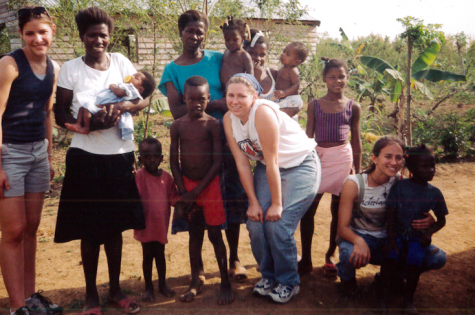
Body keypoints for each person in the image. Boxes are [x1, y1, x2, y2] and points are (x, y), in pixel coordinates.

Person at [53, 7, 151, 315]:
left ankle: (116, 290)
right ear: (82, 36)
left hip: (120, 157)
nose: (98, 40)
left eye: (103, 35)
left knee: (115, 228)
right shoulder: (71, 69)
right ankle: (91, 295)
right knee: (90, 229)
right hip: (85, 157)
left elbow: (143, 97)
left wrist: (120, 108)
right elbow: (60, 113)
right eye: (92, 35)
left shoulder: (121, 62)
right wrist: (85, 125)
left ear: (110, 37)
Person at [158, 9, 249, 283]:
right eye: (190, 31)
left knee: (231, 199)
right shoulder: (172, 70)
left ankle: (234, 258)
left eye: (200, 32)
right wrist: (218, 105)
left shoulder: (217, 57)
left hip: (228, 138)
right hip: (194, 145)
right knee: (195, 207)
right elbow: (176, 111)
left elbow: (240, 83)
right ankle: (196, 267)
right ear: (180, 32)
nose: (195, 36)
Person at [223, 74, 321, 304]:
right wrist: (254, 203)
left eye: (241, 96)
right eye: (230, 95)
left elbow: (274, 161)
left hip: (300, 165)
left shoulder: (263, 112)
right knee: (255, 223)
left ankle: (288, 281)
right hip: (268, 168)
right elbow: (242, 162)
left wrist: (276, 203)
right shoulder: (229, 119)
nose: (235, 101)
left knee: (278, 225)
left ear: (255, 96)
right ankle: (268, 277)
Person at [0, 6, 62, 315]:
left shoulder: (54, 68)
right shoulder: (9, 65)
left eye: (43, 31)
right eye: (30, 33)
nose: (37, 38)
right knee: (13, 231)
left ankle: (30, 298)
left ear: (53, 31)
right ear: (21, 34)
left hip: (39, 153)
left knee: (31, 229)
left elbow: (47, 112)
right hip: (9, 153)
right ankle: (16, 309)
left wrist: (49, 157)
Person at [336, 136, 447, 300]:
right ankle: (347, 280)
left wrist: (429, 220)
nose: (394, 162)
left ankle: (391, 276)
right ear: (374, 158)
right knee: (348, 253)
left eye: (398, 157)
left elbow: (418, 206)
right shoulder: (355, 184)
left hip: (391, 240)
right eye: (388, 156)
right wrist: (359, 241)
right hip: (363, 239)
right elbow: (342, 229)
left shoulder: (400, 182)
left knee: (437, 257)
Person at [170, 76, 233, 305]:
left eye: (202, 99)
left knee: (216, 235)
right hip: (187, 187)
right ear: (184, 99)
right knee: (195, 235)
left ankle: (225, 281)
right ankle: (195, 280)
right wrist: (182, 191)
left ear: (209, 99)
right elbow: (174, 161)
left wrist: (194, 193)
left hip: (209, 187)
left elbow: (217, 163)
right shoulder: (177, 125)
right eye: (191, 99)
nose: (197, 104)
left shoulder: (213, 125)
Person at [299, 57, 362, 277]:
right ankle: (305, 259)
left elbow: (356, 140)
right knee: (308, 211)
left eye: (342, 76)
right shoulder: (314, 105)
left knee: (339, 213)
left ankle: (330, 255)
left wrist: (358, 172)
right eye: (332, 77)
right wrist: (303, 164)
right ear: (324, 79)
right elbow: (308, 137)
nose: (337, 81)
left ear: (348, 78)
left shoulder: (353, 106)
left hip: (343, 161)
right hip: (318, 159)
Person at [380, 144, 447, 314]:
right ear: (411, 167)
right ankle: (382, 299)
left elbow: (441, 220)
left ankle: (408, 300)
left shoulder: (434, 193)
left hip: (417, 239)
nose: (431, 170)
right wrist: (391, 237)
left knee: (414, 263)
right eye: (425, 166)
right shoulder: (400, 187)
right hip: (397, 235)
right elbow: (391, 214)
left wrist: (429, 232)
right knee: (390, 258)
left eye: (433, 165)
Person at [134, 138, 178, 302]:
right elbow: (135, 196)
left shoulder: (166, 178)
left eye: (155, 156)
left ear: (162, 158)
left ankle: (162, 284)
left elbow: (174, 198)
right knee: (147, 256)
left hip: (160, 226)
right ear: (141, 159)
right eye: (147, 156)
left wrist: (185, 203)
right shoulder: (139, 176)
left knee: (160, 254)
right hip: (145, 225)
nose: (151, 160)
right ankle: (148, 287)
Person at [65, 71, 156, 139]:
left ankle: (86, 127)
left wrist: (112, 86)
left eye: (136, 78)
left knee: (86, 108)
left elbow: (119, 92)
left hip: (105, 104)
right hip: (103, 101)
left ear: (140, 90)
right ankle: (78, 124)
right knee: (83, 107)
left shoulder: (132, 90)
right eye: (134, 74)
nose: (132, 76)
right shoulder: (128, 86)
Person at [243, 30, 300, 120]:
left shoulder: (273, 74)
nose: (258, 58)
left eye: (262, 55)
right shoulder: (238, 78)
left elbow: (295, 102)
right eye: (252, 53)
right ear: (244, 51)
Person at [272, 42, 308, 117]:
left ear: (296, 62)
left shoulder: (292, 70)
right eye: (284, 51)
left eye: (287, 54)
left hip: (292, 99)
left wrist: (285, 92)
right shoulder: (283, 67)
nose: (283, 54)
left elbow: (296, 85)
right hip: (282, 99)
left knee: (281, 116)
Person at [219, 16, 253, 88]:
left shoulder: (244, 55)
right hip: (223, 89)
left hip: (237, 89)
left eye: (235, 40)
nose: (231, 42)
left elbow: (251, 76)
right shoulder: (226, 52)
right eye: (227, 40)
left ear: (243, 38)